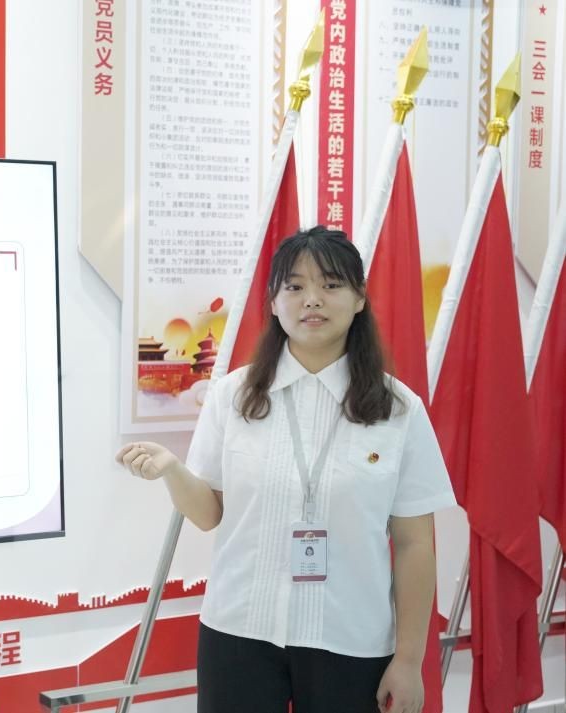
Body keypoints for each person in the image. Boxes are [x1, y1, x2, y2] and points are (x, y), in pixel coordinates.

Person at [116, 227, 455, 713]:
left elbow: (414, 544)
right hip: (239, 631)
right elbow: (209, 514)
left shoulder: (398, 409)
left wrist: (408, 660)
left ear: (360, 298)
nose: (311, 299)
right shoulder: (233, 397)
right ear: (274, 302)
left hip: (351, 637)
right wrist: (172, 470)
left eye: (331, 285)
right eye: (294, 286)